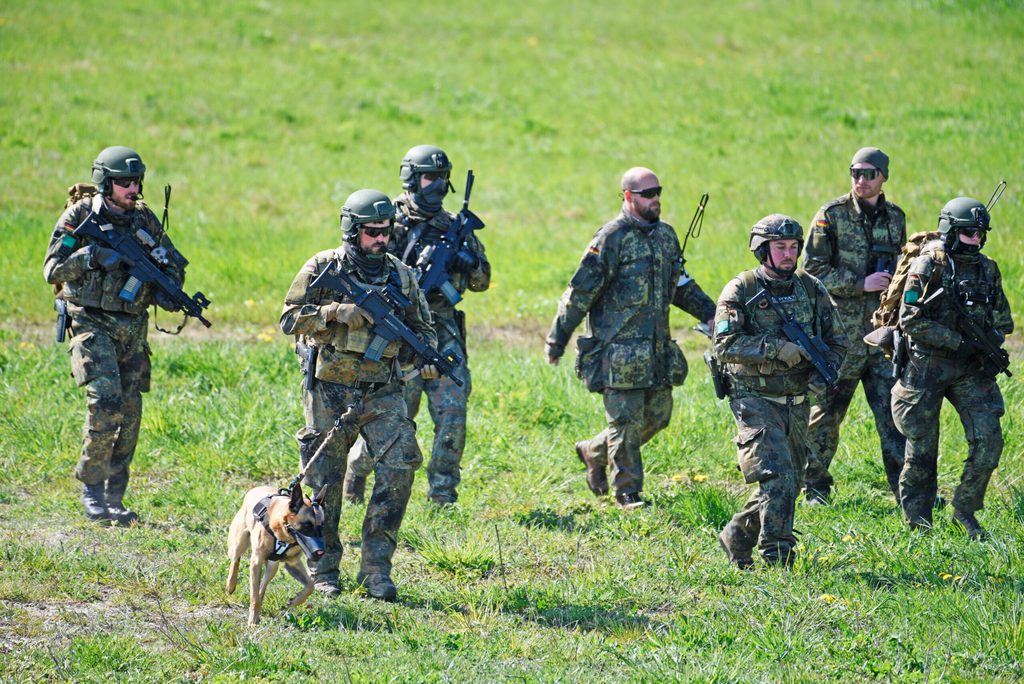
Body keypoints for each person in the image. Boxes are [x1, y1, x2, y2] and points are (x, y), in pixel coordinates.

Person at [280, 189, 438, 600]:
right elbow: (287, 319)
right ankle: (324, 569)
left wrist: (418, 355)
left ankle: (376, 570)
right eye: (371, 232)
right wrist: (333, 313)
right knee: (323, 483)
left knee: (401, 463)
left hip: (382, 390)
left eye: (386, 231)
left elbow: (425, 330)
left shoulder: (401, 275)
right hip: (330, 389)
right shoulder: (322, 267)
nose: (380, 239)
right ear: (352, 230)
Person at [545, 167, 717, 509]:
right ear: (628, 197)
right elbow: (579, 293)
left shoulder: (666, 237)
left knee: (658, 417)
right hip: (617, 352)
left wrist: (712, 314)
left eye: (658, 192)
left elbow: (680, 285)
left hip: (656, 350)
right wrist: (557, 339)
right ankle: (628, 493)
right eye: (647, 194)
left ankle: (593, 452)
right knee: (625, 423)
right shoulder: (611, 238)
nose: (655, 199)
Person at [43, 146, 188, 525]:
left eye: (137, 180)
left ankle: (115, 496)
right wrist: (90, 257)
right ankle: (92, 490)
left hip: (133, 328)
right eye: (124, 182)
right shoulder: (80, 217)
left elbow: (171, 264)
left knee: (131, 413)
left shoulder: (144, 219)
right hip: (91, 322)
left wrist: (167, 292)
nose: (134, 187)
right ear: (105, 183)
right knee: (105, 405)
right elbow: (53, 269)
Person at [343, 145, 490, 506]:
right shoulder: (385, 221)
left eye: (442, 178)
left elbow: (482, 282)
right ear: (411, 178)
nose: (437, 186)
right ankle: (357, 469)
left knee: (453, 414)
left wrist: (466, 260)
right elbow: (358, 268)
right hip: (398, 330)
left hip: (442, 331)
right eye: (429, 178)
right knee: (395, 418)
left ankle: (443, 495)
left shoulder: (455, 227)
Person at [714, 215, 847, 567]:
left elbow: (838, 340)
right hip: (754, 400)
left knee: (789, 482)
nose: (788, 255)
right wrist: (775, 349)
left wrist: (822, 374)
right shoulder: (741, 289)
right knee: (779, 478)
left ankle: (736, 535)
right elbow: (724, 344)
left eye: (793, 247)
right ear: (762, 250)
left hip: (797, 401)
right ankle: (776, 559)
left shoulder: (811, 287)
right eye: (780, 248)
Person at [891, 197, 1013, 538]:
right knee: (922, 451)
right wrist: (958, 342)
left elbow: (1003, 321)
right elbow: (910, 319)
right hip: (926, 366)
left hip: (971, 368)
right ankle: (917, 523)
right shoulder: (929, 265)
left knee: (989, 440)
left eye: (981, 233)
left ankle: (965, 512)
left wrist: (987, 343)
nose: (977, 239)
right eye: (969, 233)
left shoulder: (987, 269)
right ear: (951, 231)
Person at [802, 147, 907, 503]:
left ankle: (905, 490)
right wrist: (859, 283)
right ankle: (815, 487)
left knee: (894, 417)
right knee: (825, 417)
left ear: (883, 177)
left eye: (868, 173)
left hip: (881, 339)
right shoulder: (831, 215)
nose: (860, 180)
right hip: (840, 337)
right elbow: (812, 270)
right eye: (855, 172)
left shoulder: (895, 217)